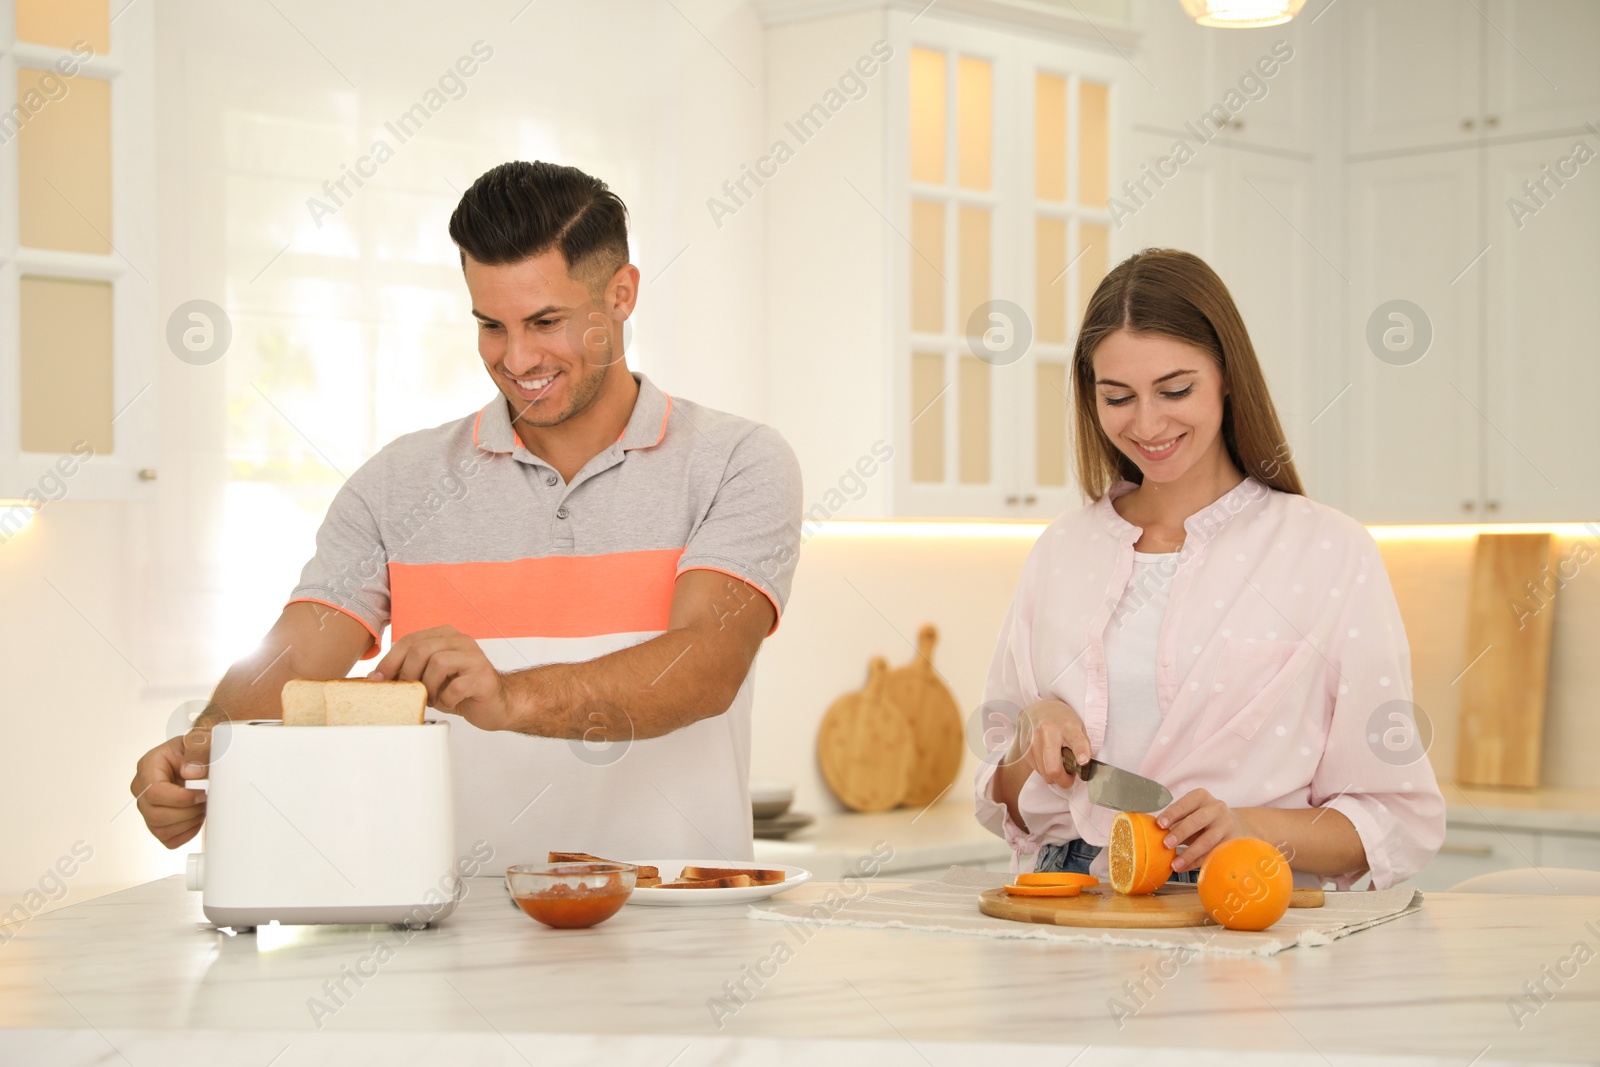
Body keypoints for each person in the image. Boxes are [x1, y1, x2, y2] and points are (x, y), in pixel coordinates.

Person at [131, 161, 802, 865]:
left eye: (546, 321)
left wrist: (508, 697)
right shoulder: (398, 482)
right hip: (455, 942)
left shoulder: (738, 460)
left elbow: (706, 666)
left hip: (683, 935)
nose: (516, 358)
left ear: (622, 294)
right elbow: (298, 651)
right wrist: (204, 744)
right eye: (491, 325)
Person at [975, 249, 1444, 890]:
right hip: (1069, 898)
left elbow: (1394, 818)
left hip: (1239, 904)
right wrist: (1028, 734)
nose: (1147, 423)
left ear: (1227, 375)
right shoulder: (1062, 550)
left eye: (1175, 390)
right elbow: (998, 798)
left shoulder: (1329, 552)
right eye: (1118, 397)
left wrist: (1251, 827)